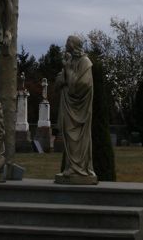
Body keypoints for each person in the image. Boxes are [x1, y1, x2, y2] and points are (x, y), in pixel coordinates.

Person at [56, 35, 97, 181]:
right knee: (67, 135)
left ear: (73, 45)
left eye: (68, 41)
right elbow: (61, 80)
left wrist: (68, 72)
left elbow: (84, 85)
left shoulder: (85, 62)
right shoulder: (70, 60)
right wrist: (62, 77)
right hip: (69, 106)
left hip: (79, 109)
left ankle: (79, 169)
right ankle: (70, 167)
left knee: (77, 138)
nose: (65, 43)